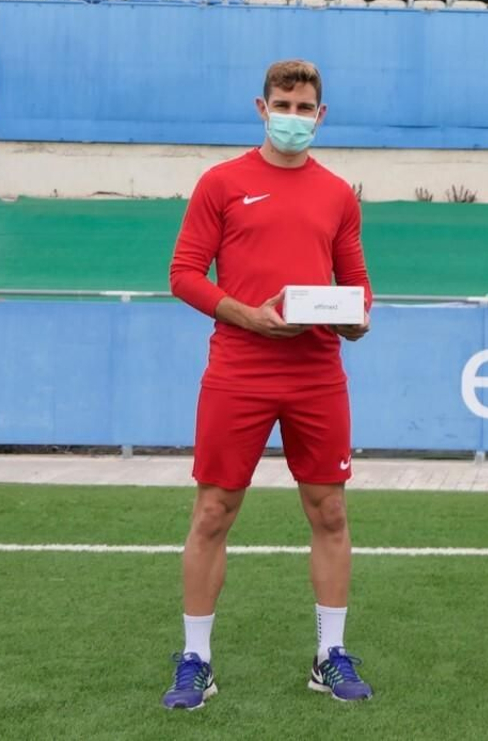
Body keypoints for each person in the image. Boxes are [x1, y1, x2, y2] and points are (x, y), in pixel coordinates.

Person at [162, 59, 374, 709]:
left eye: (304, 107)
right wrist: (247, 313)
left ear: (321, 115)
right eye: (283, 104)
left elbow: (356, 287)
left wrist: (355, 318)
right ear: (261, 107)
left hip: (315, 373)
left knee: (330, 512)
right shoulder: (221, 183)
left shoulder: (338, 193)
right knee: (213, 512)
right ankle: (195, 659)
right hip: (239, 370)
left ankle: (329, 655)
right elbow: (185, 273)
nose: (293, 117)